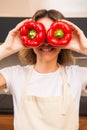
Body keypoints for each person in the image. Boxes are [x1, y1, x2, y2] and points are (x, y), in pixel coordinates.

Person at [0, 9, 87, 130]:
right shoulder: (15, 74)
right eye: (40, 33)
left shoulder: (77, 75)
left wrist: (85, 48)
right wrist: (5, 49)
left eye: (52, 33)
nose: (46, 42)